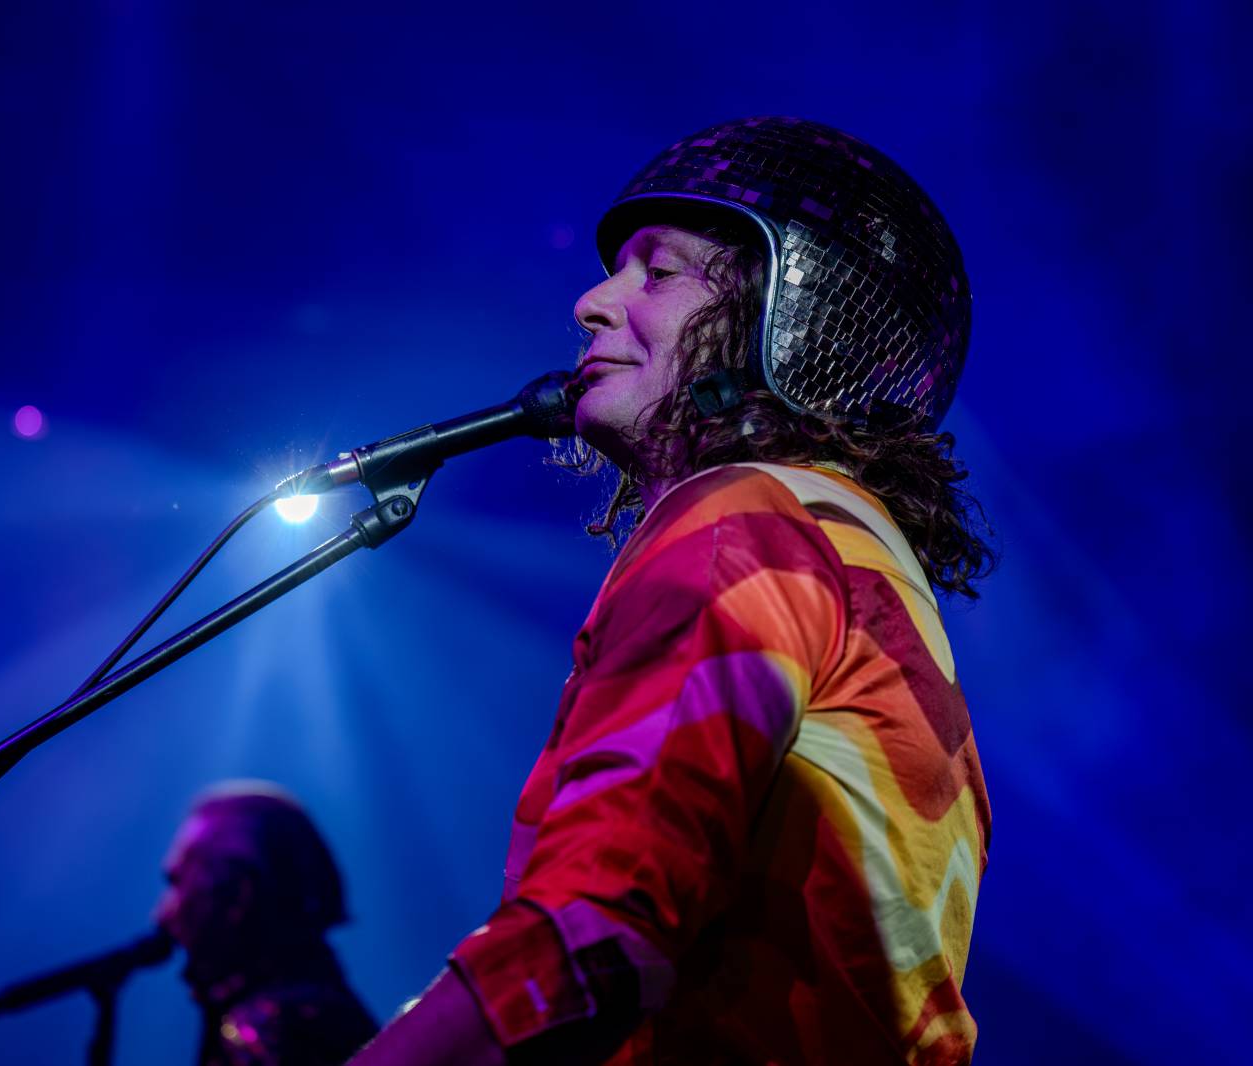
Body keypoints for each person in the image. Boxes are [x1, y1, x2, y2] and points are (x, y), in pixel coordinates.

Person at [348, 116, 993, 1065]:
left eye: (659, 272)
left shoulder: (749, 522)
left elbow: (594, 933)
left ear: (795, 317)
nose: (590, 302)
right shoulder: (867, 570)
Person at [155, 782, 378, 1066]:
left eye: (177, 881)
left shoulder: (269, 1030)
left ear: (238, 892)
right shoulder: (322, 1014)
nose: (161, 914)